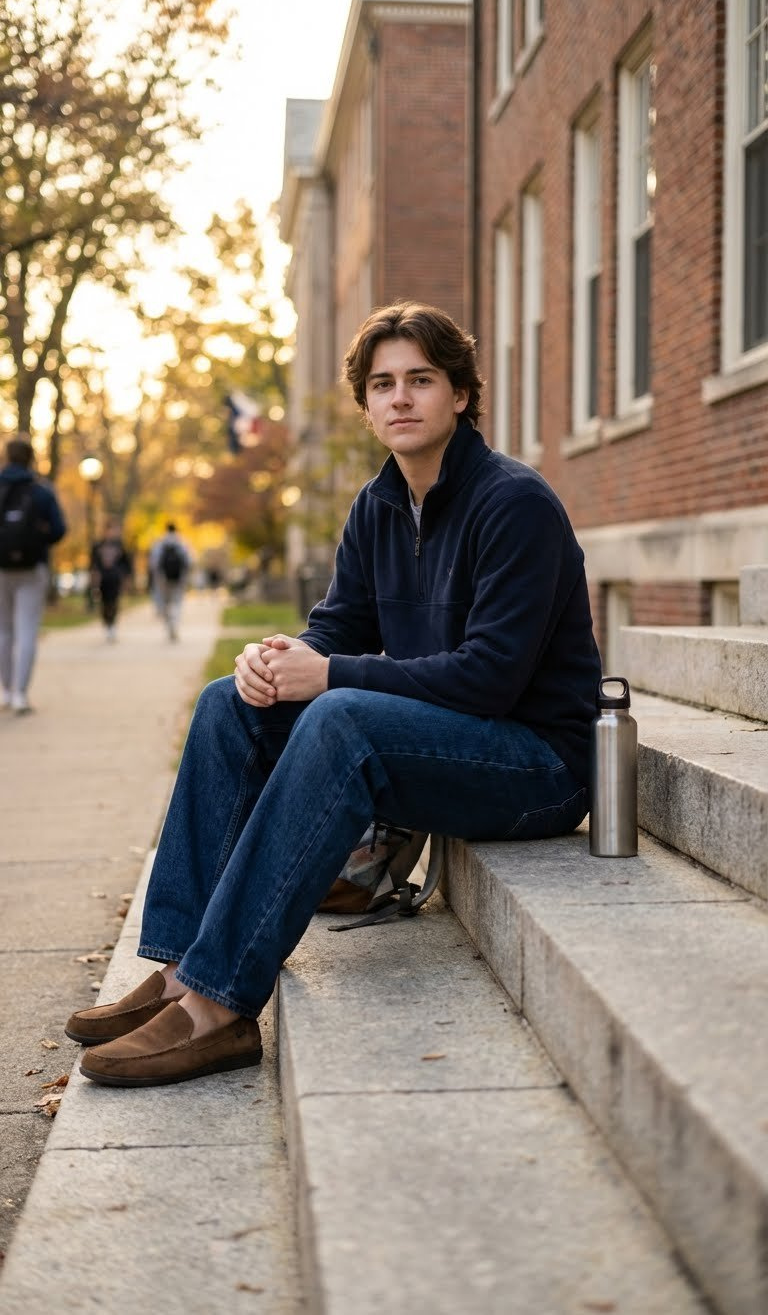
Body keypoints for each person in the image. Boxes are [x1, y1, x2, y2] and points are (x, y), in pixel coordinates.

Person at [65, 301, 602, 1088]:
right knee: (227, 701)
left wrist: (333, 674)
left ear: (460, 393)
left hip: (537, 765)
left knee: (343, 716)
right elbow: (335, 628)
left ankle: (219, 1007)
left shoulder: (513, 503)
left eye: (422, 378)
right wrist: (276, 658)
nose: (401, 398)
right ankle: (182, 969)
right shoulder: (377, 507)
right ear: (365, 406)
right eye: (383, 384)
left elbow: (490, 678)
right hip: (445, 740)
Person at [0, 433, 67, 714]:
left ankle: (4, 690)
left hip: (0, 568)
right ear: (31, 457)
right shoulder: (41, 490)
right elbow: (59, 529)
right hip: (33, 568)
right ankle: (20, 694)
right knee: (27, 631)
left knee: (3, 631)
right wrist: (40, 541)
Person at [89, 517, 133, 643]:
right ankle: (107, 624)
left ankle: (112, 626)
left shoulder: (120, 545)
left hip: (115, 578)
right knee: (104, 603)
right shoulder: (98, 546)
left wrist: (126, 578)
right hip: (103, 579)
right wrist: (94, 577)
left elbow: (126, 564)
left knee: (114, 602)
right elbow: (93, 564)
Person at [148, 522, 192, 640]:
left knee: (165, 604)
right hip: (179, 579)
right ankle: (175, 624)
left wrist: (157, 579)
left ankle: (169, 626)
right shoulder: (182, 543)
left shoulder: (160, 543)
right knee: (177, 603)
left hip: (163, 579)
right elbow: (189, 562)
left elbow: (154, 564)